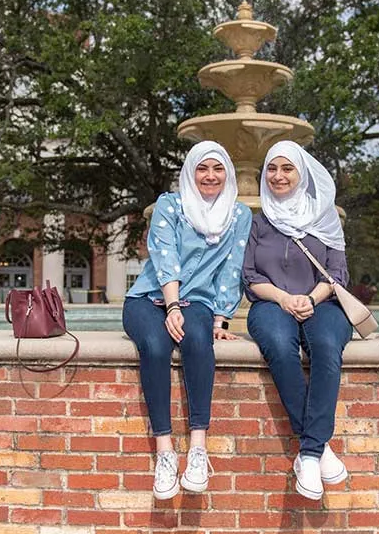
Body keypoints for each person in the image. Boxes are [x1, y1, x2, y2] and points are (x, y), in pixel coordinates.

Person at [123, 141, 252, 500]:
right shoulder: (170, 205)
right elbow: (165, 256)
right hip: (150, 299)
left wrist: (221, 318)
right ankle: (165, 453)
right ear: (190, 172)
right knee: (154, 345)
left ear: (227, 173)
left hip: (196, 302)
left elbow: (232, 269)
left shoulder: (240, 215)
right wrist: (172, 305)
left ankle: (198, 447)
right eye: (202, 169)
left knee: (198, 341)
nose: (209, 176)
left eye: (217, 169)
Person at [242, 140, 354, 501]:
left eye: (287, 168)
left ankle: (307, 453)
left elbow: (338, 272)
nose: (278, 176)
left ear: (302, 173)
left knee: (325, 346)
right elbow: (249, 276)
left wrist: (310, 298)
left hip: (323, 303)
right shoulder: (258, 222)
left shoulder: (325, 216)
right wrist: (284, 298)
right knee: (277, 344)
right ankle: (318, 449)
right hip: (272, 303)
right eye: (272, 169)